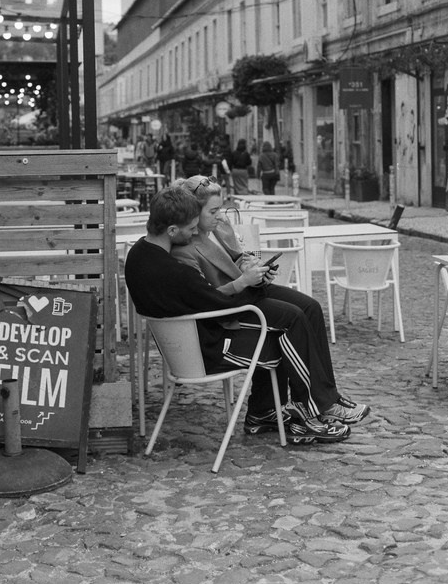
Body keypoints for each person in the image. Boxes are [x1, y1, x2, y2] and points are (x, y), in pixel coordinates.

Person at [125, 187, 369, 446]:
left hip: (189, 343)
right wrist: (250, 284)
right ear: (172, 230)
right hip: (207, 350)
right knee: (286, 333)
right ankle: (307, 418)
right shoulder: (175, 272)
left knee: (292, 319)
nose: (194, 232)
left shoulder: (137, 255)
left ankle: (266, 412)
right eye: (190, 228)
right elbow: (219, 302)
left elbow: (208, 299)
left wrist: (254, 283)